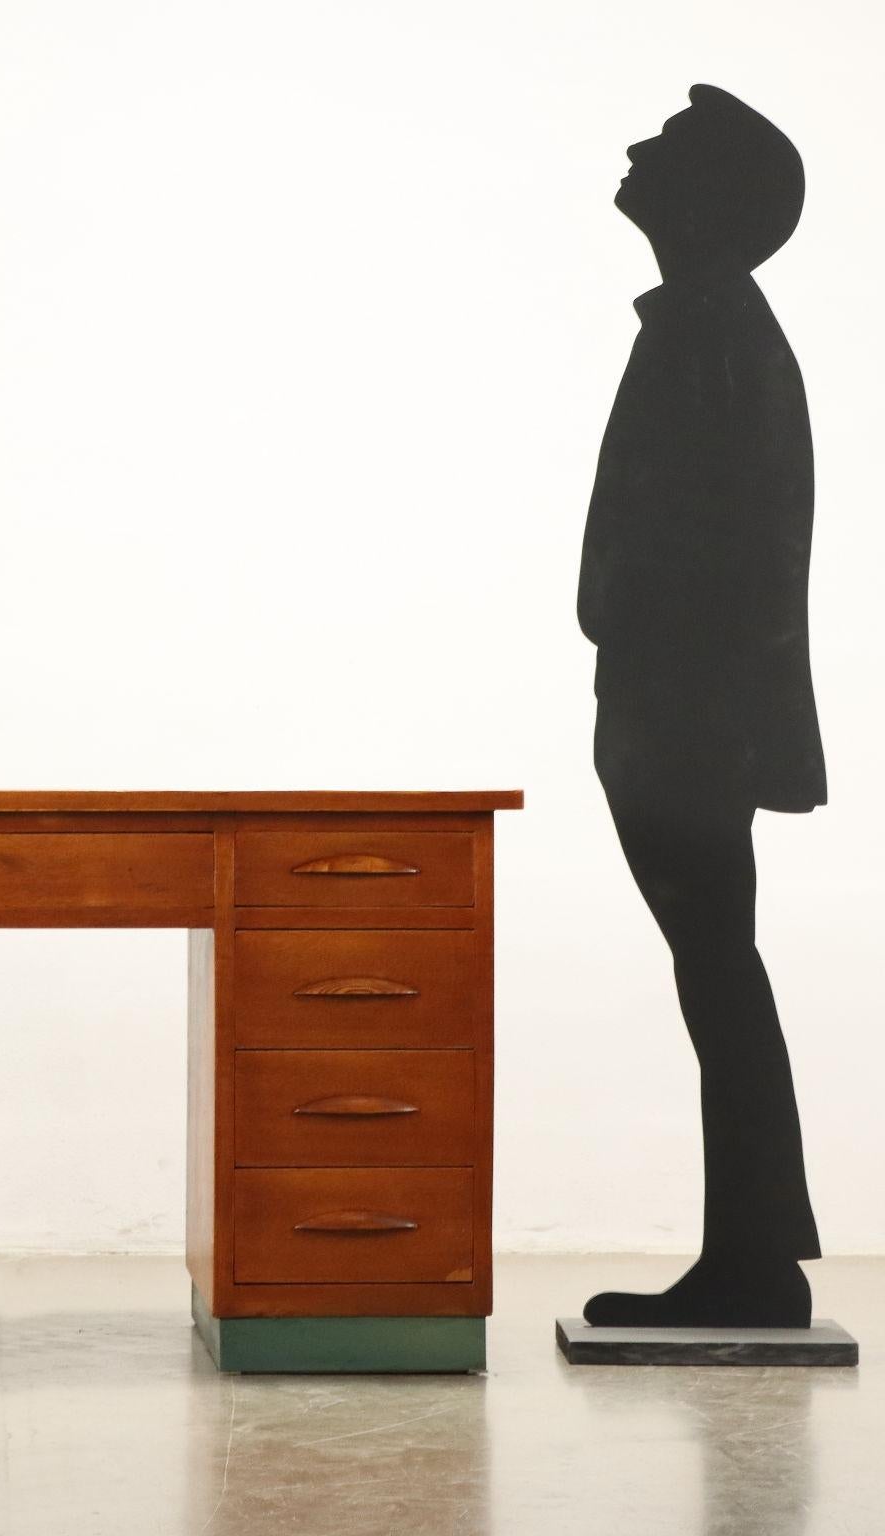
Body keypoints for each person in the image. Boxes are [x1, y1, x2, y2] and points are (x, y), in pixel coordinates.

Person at [576, 84, 824, 1327]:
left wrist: (701, 712)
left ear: (711, 197)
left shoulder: (717, 332)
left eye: (667, 147)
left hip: (687, 716)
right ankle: (756, 1254)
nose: (635, 150)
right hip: (676, 708)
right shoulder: (707, 325)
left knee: (718, 968)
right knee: (717, 968)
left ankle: (757, 1261)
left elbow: (750, 549)